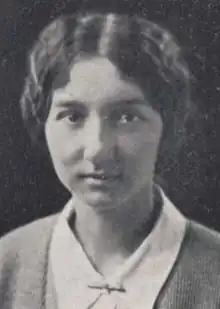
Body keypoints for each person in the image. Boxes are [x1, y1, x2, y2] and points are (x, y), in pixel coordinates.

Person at [1, 11, 220, 309]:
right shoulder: (7, 264)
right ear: (44, 123)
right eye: (72, 116)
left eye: (126, 117)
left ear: (166, 125)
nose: (97, 149)